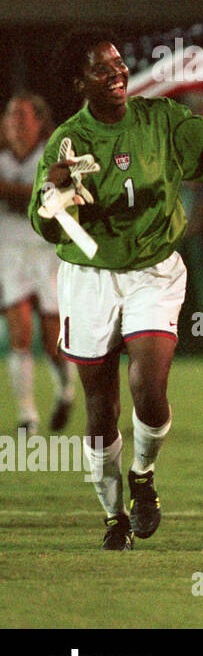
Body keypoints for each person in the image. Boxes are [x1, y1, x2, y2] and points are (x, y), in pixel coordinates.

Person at [29, 29, 203, 550]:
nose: (116, 74)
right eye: (101, 69)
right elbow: (46, 224)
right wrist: (57, 193)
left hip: (153, 270)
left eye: (118, 64)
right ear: (78, 83)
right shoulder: (67, 142)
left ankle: (144, 478)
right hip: (89, 278)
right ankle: (113, 516)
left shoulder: (161, 119)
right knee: (100, 406)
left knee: (149, 389)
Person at [0, 93, 76, 434]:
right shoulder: (2, 158)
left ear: (39, 123)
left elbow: (50, 192)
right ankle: (27, 414)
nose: (14, 122)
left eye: (22, 116)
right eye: (10, 116)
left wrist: (12, 191)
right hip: (9, 252)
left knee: (51, 339)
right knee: (19, 331)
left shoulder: (51, 156)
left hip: (46, 252)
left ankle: (65, 390)